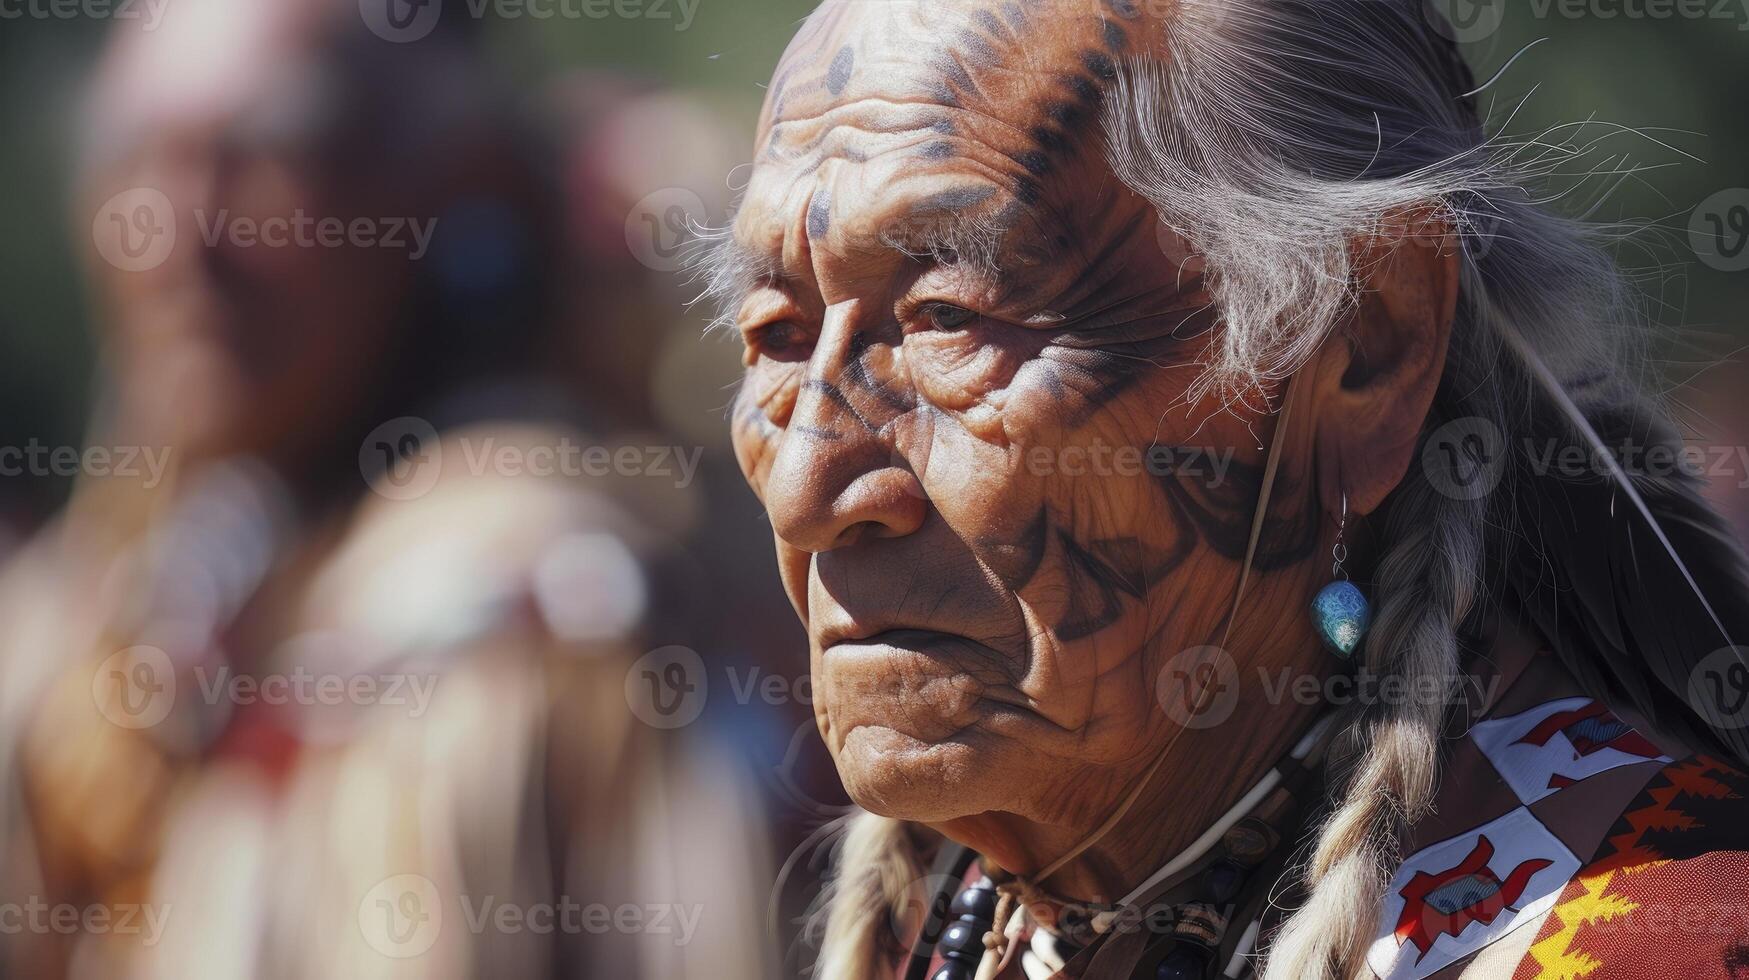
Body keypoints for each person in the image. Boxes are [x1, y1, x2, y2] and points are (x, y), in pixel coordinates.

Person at [702, 1, 1749, 978]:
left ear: (1361, 351)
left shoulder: (1662, 938)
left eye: (948, 316)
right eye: (777, 335)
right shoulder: (955, 933)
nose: (806, 488)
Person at [0, 2, 771, 977]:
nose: (173, 235)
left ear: (462, 192)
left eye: (266, 152)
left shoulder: (520, 616)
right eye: (135, 154)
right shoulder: (129, 597)